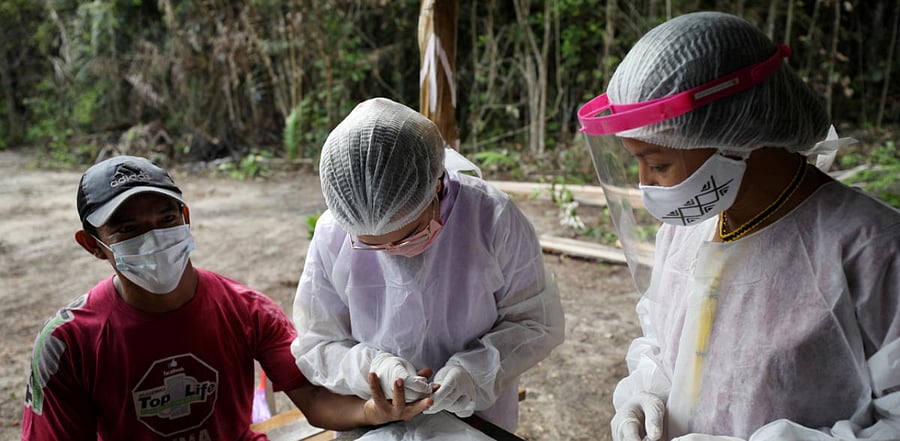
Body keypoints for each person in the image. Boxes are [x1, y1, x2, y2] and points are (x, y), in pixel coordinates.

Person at [578, 11, 900, 441]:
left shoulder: (872, 250)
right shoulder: (690, 226)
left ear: (741, 134)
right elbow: (662, 343)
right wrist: (645, 397)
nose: (644, 183)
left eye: (658, 163)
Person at [21, 155, 432, 440]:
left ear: (185, 219)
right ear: (92, 245)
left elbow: (314, 397)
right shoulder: (68, 343)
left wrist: (372, 412)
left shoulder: (245, 310)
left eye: (165, 220)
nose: (154, 238)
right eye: (128, 230)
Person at [290, 97, 566, 433]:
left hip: (476, 418)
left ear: (437, 185)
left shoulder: (491, 219)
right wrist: (372, 368)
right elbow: (317, 342)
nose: (393, 253)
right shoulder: (333, 233)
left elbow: (536, 321)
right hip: (373, 419)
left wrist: (475, 372)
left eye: (407, 236)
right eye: (373, 245)